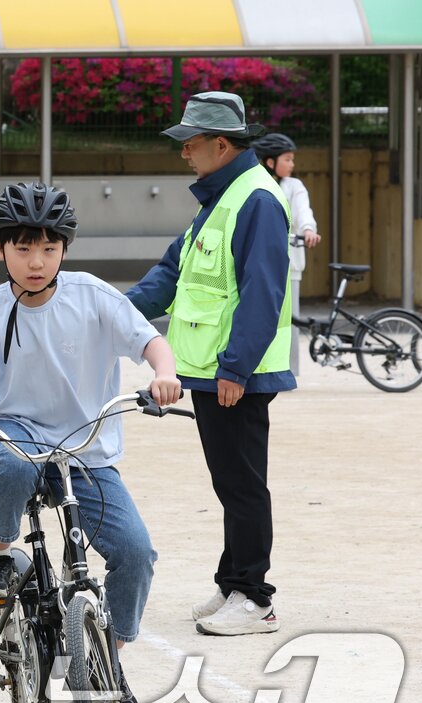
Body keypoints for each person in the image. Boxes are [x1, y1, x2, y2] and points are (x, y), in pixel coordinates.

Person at [0, 182, 180, 703]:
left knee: (136, 553)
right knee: (15, 467)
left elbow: (149, 342)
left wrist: (164, 373)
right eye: (22, 249)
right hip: (13, 431)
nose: (37, 261)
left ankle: (106, 661)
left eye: (48, 248)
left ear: (64, 248)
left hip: (86, 445)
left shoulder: (92, 296)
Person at [127, 91, 295, 637]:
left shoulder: (256, 200)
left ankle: (255, 597)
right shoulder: (219, 200)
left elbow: (262, 292)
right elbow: (171, 275)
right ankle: (232, 583)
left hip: (234, 375)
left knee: (243, 484)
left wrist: (236, 369)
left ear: (221, 145)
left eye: (191, 144)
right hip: (214, 371)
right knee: (230, 482)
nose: (184, 154)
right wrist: (107, 315)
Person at [251, 132, 319, 375]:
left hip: (289, 263)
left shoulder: (295, 186)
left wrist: (308, 229)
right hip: (258, 262)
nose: (292, 164)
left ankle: (289, 369)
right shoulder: (255, 183)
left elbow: (303, 213)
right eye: (287, 159)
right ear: (270, 162)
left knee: (290, 318)